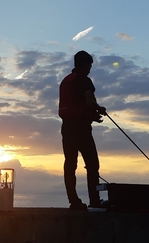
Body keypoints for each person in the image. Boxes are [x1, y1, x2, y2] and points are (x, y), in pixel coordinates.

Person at [58, 50, 107, 210]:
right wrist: (99, 109)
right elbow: (88, 101)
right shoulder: (85, 81)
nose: (90, 69)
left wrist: (91, 116)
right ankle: (94, 200)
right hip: (82, 129)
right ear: (85, 64)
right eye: (90, 66)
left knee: (70, 164)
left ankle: (74, 201)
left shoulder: (66, 81)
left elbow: (75, 106)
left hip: (67, 127)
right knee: (92, 164)